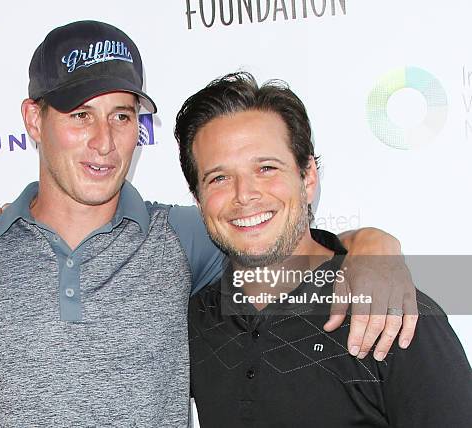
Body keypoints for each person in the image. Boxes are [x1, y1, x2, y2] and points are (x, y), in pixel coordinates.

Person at [0, 21, 416, 427]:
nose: (105, 141)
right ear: (34, 120)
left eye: (122, 116)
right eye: (81, 115)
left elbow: (279, 238)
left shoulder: (183, 238)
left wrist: (372, 245)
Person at [177, 72, 472, 427]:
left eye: (266, 168)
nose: (245, 195)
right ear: (198, 198)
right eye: (219, 178)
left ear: (308, 177)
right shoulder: (192, 322)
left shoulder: (393, 316)